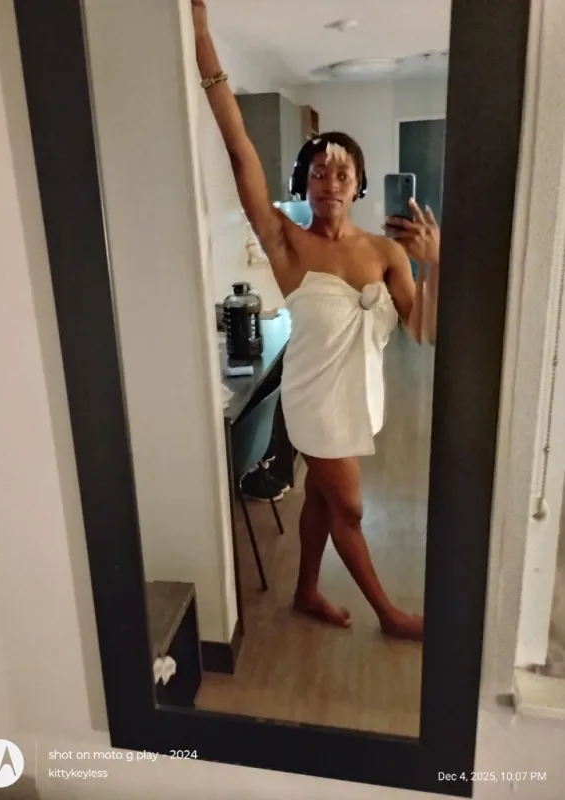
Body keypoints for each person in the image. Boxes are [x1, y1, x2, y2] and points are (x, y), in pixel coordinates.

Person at [191, 0, 440, 641]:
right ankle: (389, 615)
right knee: (348, 508)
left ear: (358, 185)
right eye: (319, 171)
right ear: (304, 183)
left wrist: (432, 264)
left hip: (361, 397)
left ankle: (305, 592)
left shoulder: (386, 252)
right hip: (313, 402)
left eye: (342, 172)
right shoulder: (287, 243)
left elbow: (422, 331)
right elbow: (239, 149)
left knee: (323, 500)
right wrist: (202, 40)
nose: (330, 180)